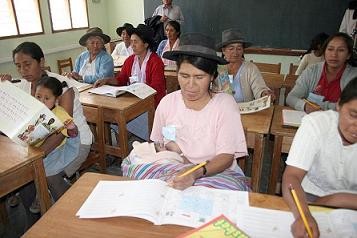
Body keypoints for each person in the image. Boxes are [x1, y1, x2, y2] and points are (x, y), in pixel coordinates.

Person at [121, 33, 250, 191]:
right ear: (177, 73)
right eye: (184, 76)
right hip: (174, 166)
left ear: (212, 77)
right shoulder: (168, 103)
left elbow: (226, 157)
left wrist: (195, 172)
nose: (190, 85)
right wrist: (168, 152)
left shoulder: (224, 105)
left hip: (213, 172)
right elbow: (159, 142)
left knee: (215, 196)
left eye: (199, 77)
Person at [0, 42, 92, 202]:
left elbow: (61, 130)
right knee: (22, 174)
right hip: (39, 144)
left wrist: (37, 156)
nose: (23, 71)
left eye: (27, 64)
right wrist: (4, 89)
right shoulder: (22, 86)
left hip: (73, 142)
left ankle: (69, 208)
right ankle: (35, 215)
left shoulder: (61, 85)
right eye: (18, 66)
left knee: (48, 173)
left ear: (41, 62)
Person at [282, 77, 357, 238]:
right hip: (307, 195)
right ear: (338, 105)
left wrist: (334, 199)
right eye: (353, 115)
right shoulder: (316, 124)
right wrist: (304, 215)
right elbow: (292, 176)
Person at [94, 24, 166, 140]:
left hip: (151, 104)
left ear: (146, 44)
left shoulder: (155, 61)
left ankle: (139, 142)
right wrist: (107, 80)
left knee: (122, 119)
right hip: (132, 101)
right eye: (131, 41)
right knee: (116, 118)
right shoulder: (130, 60)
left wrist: (138, 93)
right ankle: (124, 148)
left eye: (136, 42)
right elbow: (121, 80)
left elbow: (157, 88)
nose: (132, 45)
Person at [29, 76, 79, 213]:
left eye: (47, 98)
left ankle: (46, 195)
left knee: (44, 170)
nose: (41, 102)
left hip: (57, 151)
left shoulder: (60, 113)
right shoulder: (34, 112)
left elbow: (73, 134)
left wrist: (71, 128)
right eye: (38, 97)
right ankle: (41, 193)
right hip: (36, 149)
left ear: (56, 100)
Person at [286, 32, 357, 113]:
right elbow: (291, 98)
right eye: (330, 49)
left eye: (341, 50)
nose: (334, 55)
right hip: (310, 121)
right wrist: (305, 106)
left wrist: (319, 106)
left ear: (348, 55)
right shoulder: (312, 71)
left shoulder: (354, 76)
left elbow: (350, 107)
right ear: (324, 52)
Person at [214, 28, 274, 102]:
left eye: (239, 48)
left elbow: (259, 88)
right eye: (231, 49)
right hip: (222, 110)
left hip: (246, 111)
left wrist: (264, 93)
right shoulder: (217, 69)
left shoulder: (250, 68)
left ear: (243, 50)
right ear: (223, 50)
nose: (235, 53)